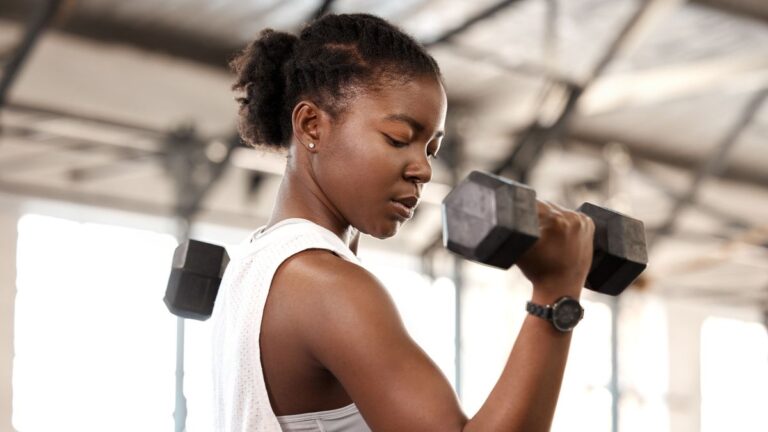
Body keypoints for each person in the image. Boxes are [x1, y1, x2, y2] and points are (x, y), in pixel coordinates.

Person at [211, 13, 595, 432]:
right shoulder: (326, 285)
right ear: (311, 126)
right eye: (398, 139)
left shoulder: (253, 265)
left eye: (430, 150)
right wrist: (556, 294)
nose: (423, 170)